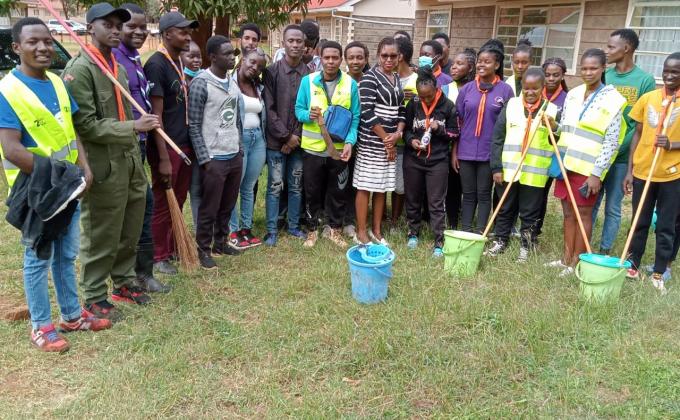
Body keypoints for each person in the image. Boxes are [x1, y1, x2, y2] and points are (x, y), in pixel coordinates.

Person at [0, 17, 112, 352]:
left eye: (48, 41)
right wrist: (56, 179)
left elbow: (71, 130)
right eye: (33, 42)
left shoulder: (57, 82)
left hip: (69, 186)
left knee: (67, 254)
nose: (43, 48)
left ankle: (72, 316)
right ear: (17, 47)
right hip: (37, 191)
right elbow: (12, 149)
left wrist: (84, 168)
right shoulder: (8, 91)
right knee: (38, 258)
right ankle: (41, 326)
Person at [62, 3, 160, 320]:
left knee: (130, 226)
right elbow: (86, 126)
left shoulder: (115, 67)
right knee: (102, 231)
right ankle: (93, 296)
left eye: (119, 25)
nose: (116, 30)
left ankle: (123, 282)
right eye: (108, 24)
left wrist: (133, 133)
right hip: (103, 164)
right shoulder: (80, 70)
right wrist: (134, 126)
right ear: (90, 28)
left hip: (129, 160)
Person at [547, 48, 626, 276]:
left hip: (588, 168)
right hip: (566, 164)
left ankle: (577, 263)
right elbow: (567, 128)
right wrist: (554, 126)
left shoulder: (613, 100)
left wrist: (596, 174)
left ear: (603, 69)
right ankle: (566, 259)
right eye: (584, 68)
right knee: (567, 213)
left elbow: (611, 142)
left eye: (593, 68)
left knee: (583, 215)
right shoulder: (573, 94)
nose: (588, 72)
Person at [113, 3, 169, 294]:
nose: (138, 31)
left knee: (143, 207)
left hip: (141, 144)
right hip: (123, 144)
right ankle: (127, 277)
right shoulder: (113, 59)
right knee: (131, 211)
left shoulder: (135, 58)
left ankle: (143, 274)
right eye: (131, 26)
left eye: (143, 27)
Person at [592, 29, 657, 255]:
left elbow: (641, 125)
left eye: (611, 47)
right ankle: (583, 246)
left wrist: (622, 150)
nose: (606, 50)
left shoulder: (645, 80)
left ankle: (605, 250)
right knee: (591, 203)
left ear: (626, 48)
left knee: (613, 207)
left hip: (622, 158)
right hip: (599, 155)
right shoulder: (604, 75)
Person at [144, 11, 198, 275]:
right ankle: (158, 255)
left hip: (183, 144)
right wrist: (164, 157)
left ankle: (174, 245)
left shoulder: (177, 61)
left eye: (189, 32)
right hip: (167, 147)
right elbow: (156, 116)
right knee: (163, 200)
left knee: (178, 197)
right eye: (182, 32)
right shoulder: (156, 64)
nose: (188, 36)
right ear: (167, 34)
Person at [487, 67, 560, 262]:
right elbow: (497, 137)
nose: (530, 92)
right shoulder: (511, 105)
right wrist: (496, 167)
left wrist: (554, 128)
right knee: (505, 208)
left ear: (542, 88)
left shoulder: (551, 110)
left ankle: (526, 245)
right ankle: (500, 240)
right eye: (526, 88)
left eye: (535, 88)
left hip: (535, 173)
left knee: (530, 212)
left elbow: (557, 141)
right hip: (509, 169)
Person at [623, 52, 680, 289]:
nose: (669, 75)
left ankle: (659, 271)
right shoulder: (648, 98)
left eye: (675, 72)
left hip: (671, 175)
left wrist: (672, 144)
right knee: (639, 221)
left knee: (666, 225)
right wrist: (630, 170)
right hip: (643, 171)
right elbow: (637, 134)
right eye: (666, 70)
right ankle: (632, 265)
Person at [295, 40, 360, 248]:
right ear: (320, 59)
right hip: (313, 149)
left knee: (338, 191)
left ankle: (335, 229)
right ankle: (312, 230)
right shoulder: (308, 81)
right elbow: (298, 110)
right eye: (327, 57)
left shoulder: (350, 84)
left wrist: (350, 142)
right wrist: (308, 115)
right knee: (312, 191)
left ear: (341, 60)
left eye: (335, 58)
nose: (330, 61)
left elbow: (355, 117)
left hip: (338, 150)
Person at [188, 35, 242, 269]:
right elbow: (194, 125)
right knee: (209, 208)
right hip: (213, 158)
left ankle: (221, 243)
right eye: (227, 54)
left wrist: (240, 149)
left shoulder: (232, 82)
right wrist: (205, 159)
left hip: (233, 154)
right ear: (212, 57)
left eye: (233, 53)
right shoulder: (201, 83)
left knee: (227, 205)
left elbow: (236, 119)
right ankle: (203, 249)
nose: (232, 58)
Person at [455, 39, 514, 233]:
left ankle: (481, 231)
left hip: (489, 154)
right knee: (468, 194)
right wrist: (455, 152)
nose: (481, 65)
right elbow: (457, 122)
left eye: (487, 62)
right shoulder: (467, 89)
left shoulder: (505, 91)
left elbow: (508, 126)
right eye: (479, 61)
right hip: (465, 151)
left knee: (483, 194)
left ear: (496, 65)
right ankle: (465, 230)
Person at [353, 37, 406, 245]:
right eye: (384, 55)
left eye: (393, 56)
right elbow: (366, 112)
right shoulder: (369, 78)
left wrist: (398, 134)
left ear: (399, 57)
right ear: (378, 55)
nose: (389, 60)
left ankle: (376, 230)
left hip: (390, 140)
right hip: (372, 142)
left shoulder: (397, 78)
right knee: (365, 186)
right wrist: (386, 140)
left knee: (382, 186)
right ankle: (361, 231)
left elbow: (401, 110)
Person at [402, 67, 458, 257]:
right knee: (412, 198)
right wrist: (411, 141)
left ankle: (439, 241)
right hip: (413, 159)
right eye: (422, 96)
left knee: (436, 202)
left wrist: (439, 129)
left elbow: (454, 133)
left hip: (437, 161)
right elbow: (405, 129)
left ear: (436, 88)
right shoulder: (414, 103)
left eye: (429, 96)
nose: (425, 100)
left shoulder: (448, 105)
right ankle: (413, 233)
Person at [262, 24, 309, 246]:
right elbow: (269, 109)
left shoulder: (310, 74)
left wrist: (294, 137)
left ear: (304, 45)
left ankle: (293, 226)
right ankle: (271, 230)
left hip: (299, 142)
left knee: (296, 185)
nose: (295, 45)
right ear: (283, 43)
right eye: (291, 41)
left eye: (299, 41)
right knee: (274, 185)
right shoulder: (271, 72)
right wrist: (285, 136)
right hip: (276, 143)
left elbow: (310, 108)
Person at [228, 48, 268, 249]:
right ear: (243, 59)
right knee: (234, 185)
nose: (255, 67)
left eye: (260, 66)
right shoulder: (229, 83)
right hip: (239, 138)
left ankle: (246, 228)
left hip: (258, 139)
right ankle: (232, 230)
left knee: (249, 186)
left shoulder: (258, 86)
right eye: (252, 62)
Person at [535, 57, 569, 237]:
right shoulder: (534, 92)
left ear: (563, 75)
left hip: (551, 154)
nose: (551, 79)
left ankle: (535, 229)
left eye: (556, 75)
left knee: (541, 194)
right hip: (532, 151)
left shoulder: (567, 99)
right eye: (547, 74)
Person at [445, 48, 476, 229]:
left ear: (470, 68)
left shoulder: (476, 89)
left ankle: (467, 220)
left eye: (459, 64)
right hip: (448, 146)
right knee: (453, 186)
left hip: (469, 146)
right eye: (453, 63)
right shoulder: (445, 89)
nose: (453, 67)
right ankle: (452, 222)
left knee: (470, 188)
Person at [391, 36, 417, 228]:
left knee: (400, 184)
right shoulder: (387, 77)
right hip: (385, 138)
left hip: (407, 141)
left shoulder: (417, 80)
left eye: (392, 54)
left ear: (400, 56)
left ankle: (395, 219)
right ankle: (383, 216)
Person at [180, 40, 203, 229]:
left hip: (202, 143)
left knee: (201, 188)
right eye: (191, 56)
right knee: (188, 189)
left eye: (198, 57)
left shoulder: (204, 79)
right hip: (183, 143)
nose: (196, 60)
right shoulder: (180, 81)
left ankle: (203, 228)